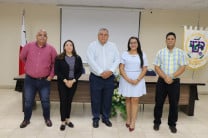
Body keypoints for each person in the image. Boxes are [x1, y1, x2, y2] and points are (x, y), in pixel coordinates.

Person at [19, 29, 57, 128]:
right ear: (36, 36)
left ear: (47, 38)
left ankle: (47, 119)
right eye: (40, 35)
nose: (42, 37)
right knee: (28, 101)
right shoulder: (29, 46)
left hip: (44, 80)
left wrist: (51, 76)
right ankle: (26, 120)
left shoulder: (51, 49)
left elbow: (55, 64)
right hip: (30, 80)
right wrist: (29, 66)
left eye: (44, 35)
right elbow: (22, 57)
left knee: (45, 101)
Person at [153, 32, 188, 133]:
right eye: (168, 39)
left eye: (172, 39)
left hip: (175, 81)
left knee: (174, 104)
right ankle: (157, 122)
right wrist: (165, 77)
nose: (170, 40)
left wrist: (172, 76)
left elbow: (183, 67)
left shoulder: (181, 52)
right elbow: (156, 67)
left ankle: (172, 124)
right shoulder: (160, 52)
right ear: (165, 40)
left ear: (175, 40)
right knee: (159, 102)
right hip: (162, 81)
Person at [87, 28, 120, 128]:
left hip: (109, 77)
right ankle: (96, 118)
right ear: (98, 35)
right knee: (95, 99)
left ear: (108, 36)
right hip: (96, 77)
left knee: (107, 99)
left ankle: (106, 118)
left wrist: (110, 71)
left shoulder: (113, 46)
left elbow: (117, 59)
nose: (103, 36)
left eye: (105, 35)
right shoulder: (92, 46)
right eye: (101, 34)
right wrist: (101, 72)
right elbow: (90, 60)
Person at [118, 36, 148, 132]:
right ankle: (128, 118)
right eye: (131, 43)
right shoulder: (124, 54)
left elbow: (145, 69)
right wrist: (128, 79)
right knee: (128, 99)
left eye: (135, 42)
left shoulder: (142, 54)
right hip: (126, 79)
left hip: (138, 79)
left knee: (135, 99)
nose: (133, 44)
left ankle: (133, 121)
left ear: (138, 44)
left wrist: (137, 79)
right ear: (129, 44)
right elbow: (121, 68)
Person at [54, 40, 83, 131]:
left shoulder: (78, 58)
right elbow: (57, 71)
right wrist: (66, 81)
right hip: (62, 82)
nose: (69, 46)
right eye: (67, 45)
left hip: (73, 82)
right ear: (64, 47)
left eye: (71, 45)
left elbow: (80, 71)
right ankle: (63, 121)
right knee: (63, 101)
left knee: (69, 101)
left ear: (73, 47)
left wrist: (73, 80)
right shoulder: (59, 58)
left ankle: (67, 119)